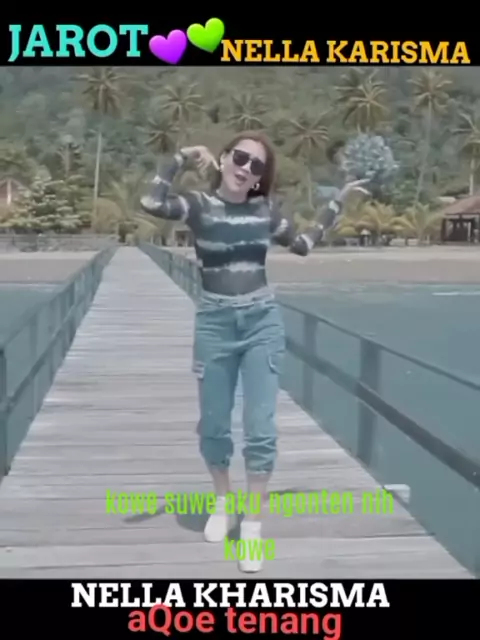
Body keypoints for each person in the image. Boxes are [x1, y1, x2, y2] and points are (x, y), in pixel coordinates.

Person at [140, 132, 368, 572]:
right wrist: (182, 156)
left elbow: (303, 245)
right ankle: (223, 503)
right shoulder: (198, 206)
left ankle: (252, 527)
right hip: (215, 323)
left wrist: (336, 202)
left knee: (261, 429)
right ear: (224, 158)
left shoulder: (266, 212)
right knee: (214, 426)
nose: (246, 168)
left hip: (262, 322)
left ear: (261, 177)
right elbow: (151, 202)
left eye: (257, 166)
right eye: (240, 158)